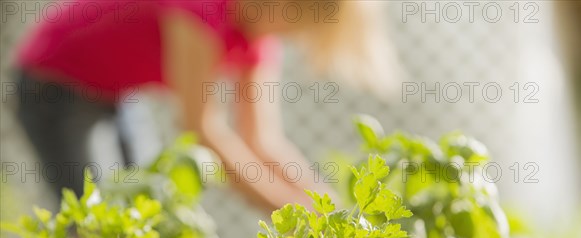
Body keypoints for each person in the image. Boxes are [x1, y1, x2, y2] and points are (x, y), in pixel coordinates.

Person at [13, 0, 394, 212]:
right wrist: (294, 215)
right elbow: (202, 130)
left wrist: (330, 211)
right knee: (96, 221)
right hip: (55, 83)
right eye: (298, 27)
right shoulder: (201, 10)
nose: (291, 38)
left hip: (115, 91)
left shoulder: (258, 35)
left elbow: (264, 141)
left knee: (147, 214)